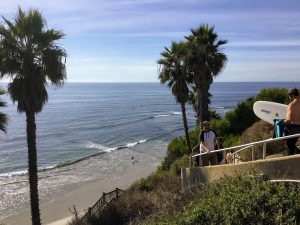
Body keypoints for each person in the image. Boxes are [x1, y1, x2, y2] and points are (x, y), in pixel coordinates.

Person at [284, 88, 300, 155]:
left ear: (292, 95)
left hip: (293, 128)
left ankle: (291, 160)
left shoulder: (291, 105)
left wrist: (282, 122)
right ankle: (298, 152)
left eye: (289, 95)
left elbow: (289, 120)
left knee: (288, 144)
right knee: (292, 143)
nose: (289, 97)